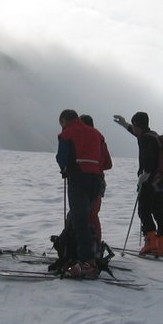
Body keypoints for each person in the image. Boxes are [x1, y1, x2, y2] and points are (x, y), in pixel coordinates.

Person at [56, 109, 112, 278]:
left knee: (79, 220)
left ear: (65, 120)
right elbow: (106, 162)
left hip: (78, 179)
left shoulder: (67, 133)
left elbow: (61, 158)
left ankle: (87, 262)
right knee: (88, 218)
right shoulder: (97, 134)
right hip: (96, 180)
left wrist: (65, 169)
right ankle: (91, 253)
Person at [113, 111, 163, 256]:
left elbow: (148, 160)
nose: (133, 127)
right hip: (162, 180)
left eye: (133, 124)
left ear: (138, 124)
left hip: (150, 180)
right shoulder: (153, 135)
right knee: (158, 211)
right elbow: (138, 133)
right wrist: (125, 125)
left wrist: (144, 175)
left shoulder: (145, 139)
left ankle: (151, 243)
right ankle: (162, 244)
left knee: (143, 210)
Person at [79, 114, 111, 252]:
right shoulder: (100, 140)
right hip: (98, 182)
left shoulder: (80, 140)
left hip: (81, 182)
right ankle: (95, 243)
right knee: (93, 214)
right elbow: (108, 164)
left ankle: (84, 245)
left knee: (82, 214)